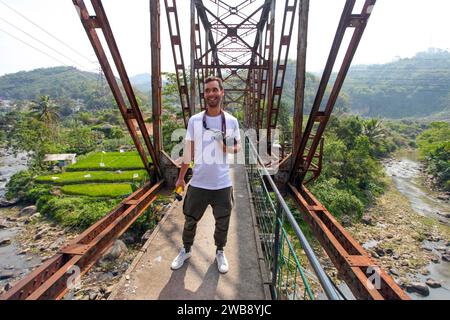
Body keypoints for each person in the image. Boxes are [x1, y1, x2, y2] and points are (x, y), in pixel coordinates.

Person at [170, 76, 241, 274]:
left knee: (222, 221)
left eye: (214, 90)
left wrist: (225, 146)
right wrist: (181, 177)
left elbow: (237, 147)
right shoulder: (195, 120)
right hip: (199, 182)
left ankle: (220, 251)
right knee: (190, 219)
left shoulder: (231, 121)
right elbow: (188, 152)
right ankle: (186, 250)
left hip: (222, 184)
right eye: (208, 90)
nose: (211, 93)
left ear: (222, 92)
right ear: (205, 94)